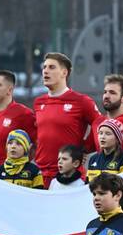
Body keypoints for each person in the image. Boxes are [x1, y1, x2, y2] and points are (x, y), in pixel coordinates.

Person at [33, 52, 98, 183]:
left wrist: (85, 148)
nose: (45, 71)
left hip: (69, 176)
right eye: (44, 67)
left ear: (64, 73)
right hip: (41, 174)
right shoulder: (38, 102)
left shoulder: (82, 101)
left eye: (51, 67)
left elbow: (100, 124)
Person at [0, 70, 37, 173]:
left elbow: (36, 145)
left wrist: (21, 169)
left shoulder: (24, 114)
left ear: (9, 90)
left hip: (9, 179)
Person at [86, 119, 123, 183]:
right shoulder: (93, 159)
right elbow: (87, 185)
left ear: (117, 139)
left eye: (108, 134)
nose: (102, 137)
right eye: (100, 133)